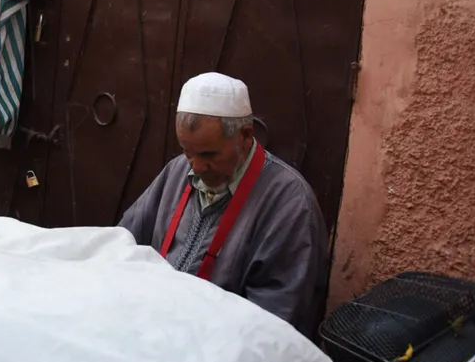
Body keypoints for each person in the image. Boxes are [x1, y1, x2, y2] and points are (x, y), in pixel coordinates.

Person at [118, 72, 327, 335]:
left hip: (224, 350)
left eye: (209, 154)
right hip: (157, 332)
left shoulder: (291, 203)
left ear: (246, 135)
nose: (197, 167)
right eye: (187, 151)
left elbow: (275, 322)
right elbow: (125, 242)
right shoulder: (178, 171)